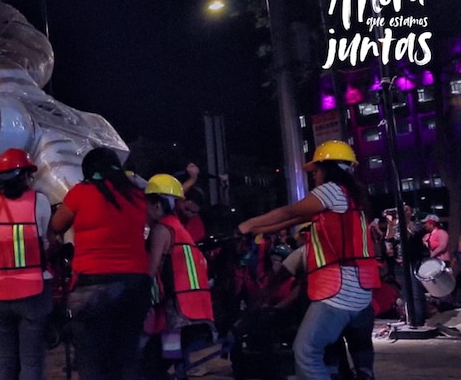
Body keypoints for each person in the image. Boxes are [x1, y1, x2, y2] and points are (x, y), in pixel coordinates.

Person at [238, 140, 379, 380]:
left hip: (338, 292)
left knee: (306, 351)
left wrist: (248, 224)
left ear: (327, 168)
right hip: (361, 292)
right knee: (353, 357)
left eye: (315, 171)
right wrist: (258, 228)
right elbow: (291, 220)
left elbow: (290, 211)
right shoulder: (352, 199)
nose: (314, 177)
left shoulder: (331, 190)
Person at [49, 147, 151, 380]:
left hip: (93, 284)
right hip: (135, 284)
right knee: (127, 358)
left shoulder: (81, 193)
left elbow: (56, 226)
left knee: (90, 359)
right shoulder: (136, 195)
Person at [0, 148, 53, 380]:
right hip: (32, 292)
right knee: (31, 361)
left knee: (4, 359)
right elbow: (47, 240)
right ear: (24, 176)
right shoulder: (39, 201)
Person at [142, 174, 214, 379]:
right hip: (193, 311)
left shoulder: (162, 229)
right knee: (171, 361)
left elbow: (151, 270)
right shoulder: (179, 228)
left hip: (177, 315)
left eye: (147, 203)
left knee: (152, 364)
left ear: (157, 204)